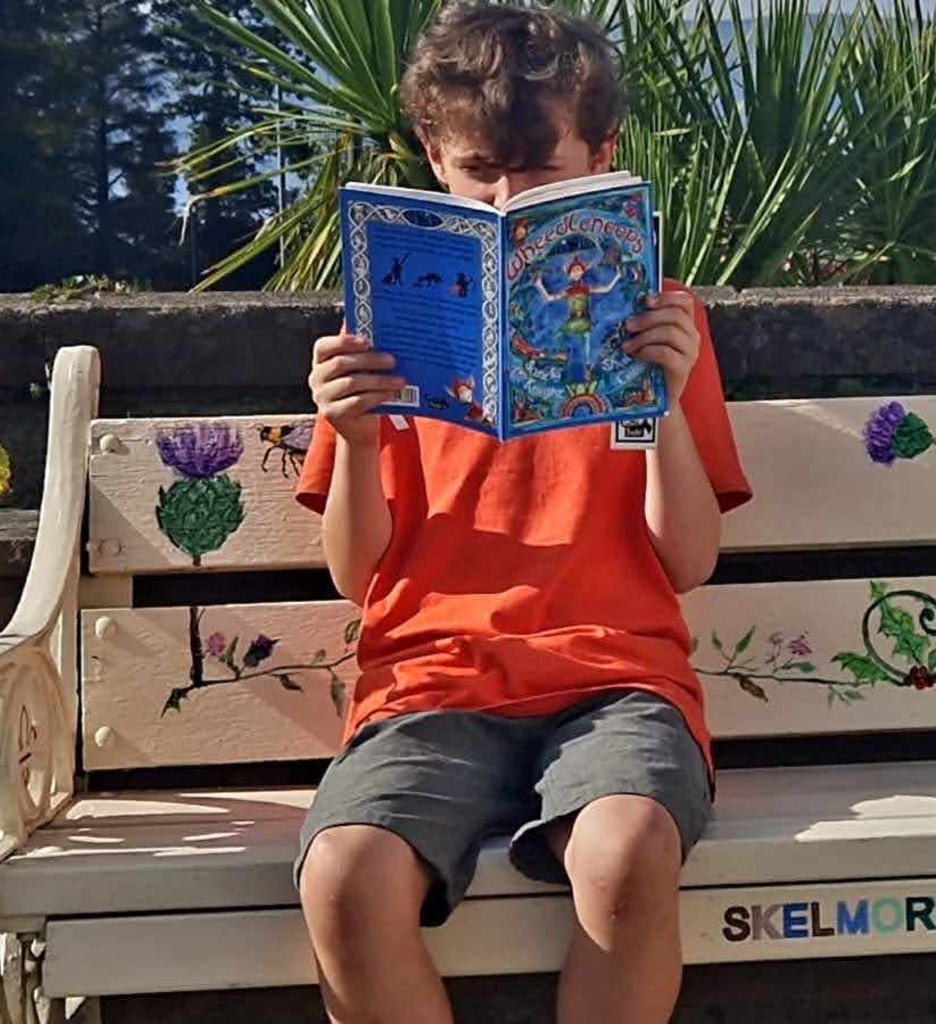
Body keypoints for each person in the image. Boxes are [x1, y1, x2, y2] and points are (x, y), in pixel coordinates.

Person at [293, 6, 751, 1023]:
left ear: (603, 152)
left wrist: (664, 402)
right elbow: (355, 578)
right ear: (431, 156)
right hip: (428, 682)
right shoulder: (387, 323)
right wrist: (360, 441)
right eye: (476, 172)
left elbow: (685, 559)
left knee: (627, 849)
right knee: (343, 876)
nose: (503, 199)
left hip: (616, 682)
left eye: (538, 174)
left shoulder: (660, 321)